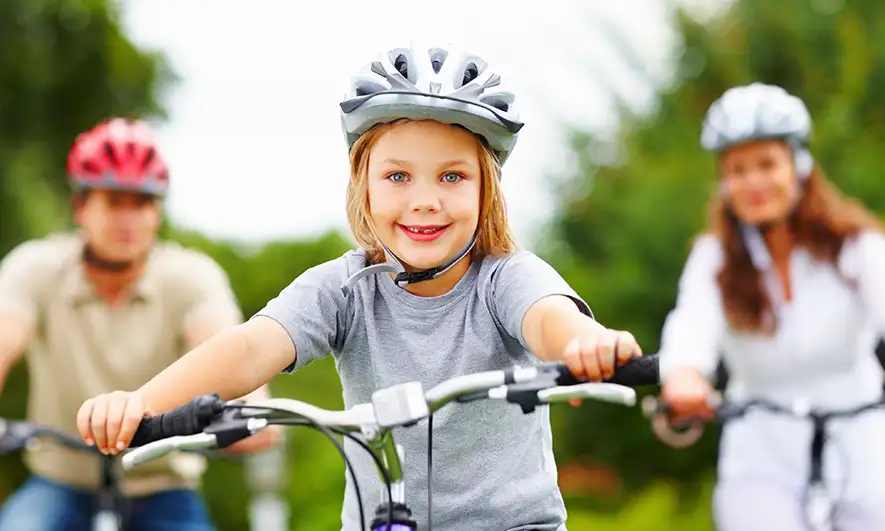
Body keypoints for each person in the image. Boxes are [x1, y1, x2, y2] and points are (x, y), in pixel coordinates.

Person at [75, 46, 643, 530]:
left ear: (485, 191)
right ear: (363, 187)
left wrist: (583, 346)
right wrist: (140, 403)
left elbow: (548, 318)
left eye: (452, 176)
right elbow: (249, 349)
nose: (425, 200)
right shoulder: (345, 290)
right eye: (398, 176)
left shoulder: (504, 277)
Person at [0, 118, 274, 531]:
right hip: (60, 482)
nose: (128, 218)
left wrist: (246, 416)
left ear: (157, 211)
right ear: (80, 207)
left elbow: (234, 357)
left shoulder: (191, 277)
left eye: (142, 202)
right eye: (114, 201)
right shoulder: (35, 268)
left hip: (162, 485)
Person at [659, 83, 885, 530]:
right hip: (760, 447)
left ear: (799, 167)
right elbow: (691, 322)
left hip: (863, 437)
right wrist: (684, 375)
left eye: (766, 164)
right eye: (737, 170)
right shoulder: (714, 257)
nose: (753, 183)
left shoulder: (855, 245)